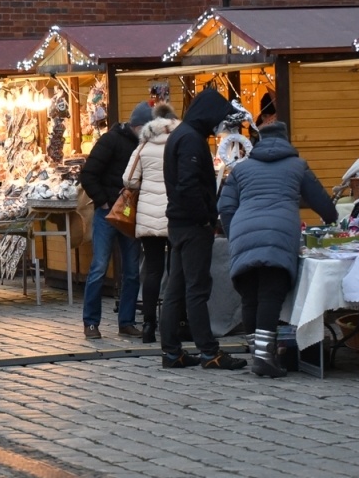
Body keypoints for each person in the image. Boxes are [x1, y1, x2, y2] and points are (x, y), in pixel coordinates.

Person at [216, 119, 337, 378]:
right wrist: (333, 221)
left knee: (250, 295)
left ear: (258, 141)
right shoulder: (297, 165)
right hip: (279, 233)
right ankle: (264, 359)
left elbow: (225, 207)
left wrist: (234, 233)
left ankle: (259, 354)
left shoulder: (241, 169)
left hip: (242, 231)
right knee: (271, 293)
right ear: (286, 138)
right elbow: (322, 203)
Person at [159, 87, 246, 371]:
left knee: (176, 289)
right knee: (196, 289)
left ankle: (172, 352)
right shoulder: (191, 140)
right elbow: (188, 186)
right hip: (192, 224)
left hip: (178, 223)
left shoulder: (179, 135)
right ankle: (209, 352)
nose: (219, 125)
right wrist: (206, 219)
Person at [78, 102, 148, 339]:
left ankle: (126, 321)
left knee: (131, 270)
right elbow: (88, 174)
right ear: (138, 126)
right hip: (109, 212)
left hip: (129, 213)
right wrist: (104, 201)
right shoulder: (111, 141)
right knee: (99, 267)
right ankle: (91, 322)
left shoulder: (142, 143)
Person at [127, 103, 177, 344]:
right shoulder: (180, 142)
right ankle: (175, 322)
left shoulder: (143, 146)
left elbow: (128, 179)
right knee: (176, 270)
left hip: (147, 214)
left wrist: (146, 187)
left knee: (153, 270)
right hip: (174, 214)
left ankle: (148, 325)